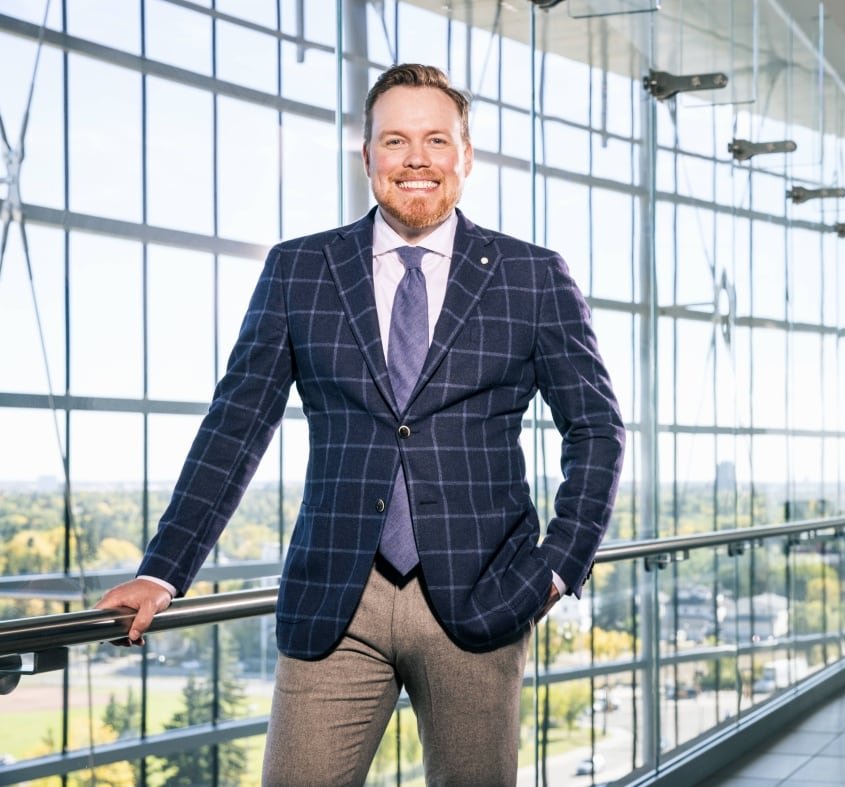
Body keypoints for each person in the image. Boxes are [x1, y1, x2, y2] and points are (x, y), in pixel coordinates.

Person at [96, 63, 625, 786]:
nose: (416, 159)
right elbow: (235, 426)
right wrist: (163, 570)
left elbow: (597, 428)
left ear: (466, 156)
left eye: (437, 140)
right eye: (395, 140)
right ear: (368, 156)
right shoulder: (300, 270)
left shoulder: (531, 276)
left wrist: (558, 567)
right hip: (335, 599)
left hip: (485, 595)